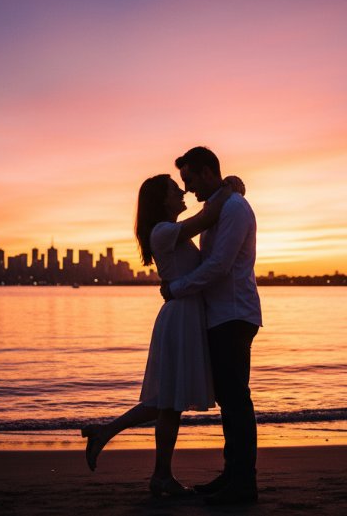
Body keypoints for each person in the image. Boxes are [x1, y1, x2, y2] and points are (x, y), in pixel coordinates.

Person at [80, 173, 242, 496]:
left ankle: (121, 444)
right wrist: (232, 189)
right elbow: (207, 216)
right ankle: (159, 474)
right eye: (174, 189)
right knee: (169, 402)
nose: (182, 191)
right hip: (180, 317)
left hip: (185, 315)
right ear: (162, 201)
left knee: (168, 402)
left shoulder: (168, 233)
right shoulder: (163, 231)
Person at [161, 146, 262, 505]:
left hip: (234, 314)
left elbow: (219, 265)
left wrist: (176, 289)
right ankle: (232, 474)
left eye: (189, 179)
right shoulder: (218, 207)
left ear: (207, 172)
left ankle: (243, 483)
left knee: (236, 399)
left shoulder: (234, 208)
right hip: (220, 315)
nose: (186, 188)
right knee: (230, 399)